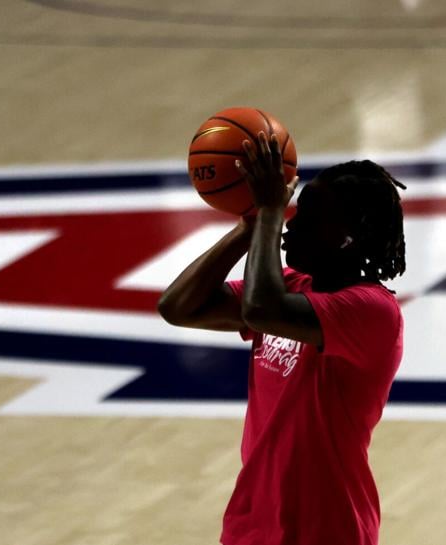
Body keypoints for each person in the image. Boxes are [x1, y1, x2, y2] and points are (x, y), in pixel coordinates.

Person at [157, 132, 407, 545]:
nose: (292, 222)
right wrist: (249, 224)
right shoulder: (290, 286)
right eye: (293, 210)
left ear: (345, 239)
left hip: (327, 529)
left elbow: (261, 309)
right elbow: (178, 306)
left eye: (308, 216)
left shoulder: (373, 312)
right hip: (252, 523)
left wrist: (270, 214)